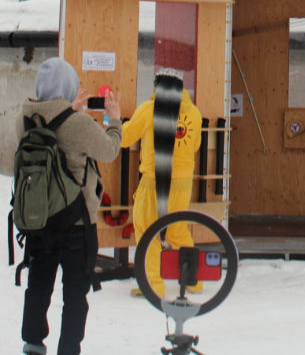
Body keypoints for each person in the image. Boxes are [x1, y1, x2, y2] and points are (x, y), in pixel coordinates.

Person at [18, 58, 122, 355]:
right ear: (69, 87)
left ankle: (33, 344)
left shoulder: (23, 119)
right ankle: (69, 349)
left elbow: (18, 153)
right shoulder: (77, 123)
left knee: (38, 286)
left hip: (38, 221)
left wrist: (65, 112)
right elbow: (109, 150)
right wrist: (113, 120)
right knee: (75, 293)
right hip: (76, 223)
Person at [122, 68, 203, 297]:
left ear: (157, 87)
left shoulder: (148, 110)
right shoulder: (194, 114)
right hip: (183, 183)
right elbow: (195, 145)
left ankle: (153, 284)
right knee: (177, 230)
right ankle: (193, 279)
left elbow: (126, 138)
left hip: (153, 182)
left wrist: (112, 118)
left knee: (147, 230)